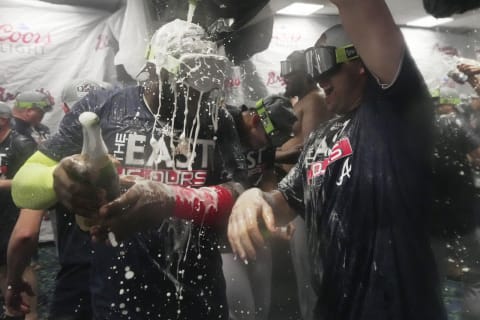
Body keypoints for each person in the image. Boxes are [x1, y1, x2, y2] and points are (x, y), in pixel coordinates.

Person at [12, 19, 246, 320]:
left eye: (203, 86)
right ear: (155, 70)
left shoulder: (215, 117)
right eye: (185, 86)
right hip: (118, 298)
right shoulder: (103, 107)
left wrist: (172, 199)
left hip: (200, 297)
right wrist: (56, 180)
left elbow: (239, 193)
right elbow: (22, 186)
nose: (196, 97)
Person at [227, 0, 448, 319]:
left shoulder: (394, 116)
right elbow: (287, 201)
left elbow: (364, 9)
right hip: (331, 306)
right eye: (312, 69)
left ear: (360, 62)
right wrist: (254, 197)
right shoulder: (321, 137)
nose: (319, 79)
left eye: (325, 64)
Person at [6, 80, 109, 320]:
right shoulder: (134, 140)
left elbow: (25, 234)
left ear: (65, 110)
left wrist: (13, 281)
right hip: (137, 269)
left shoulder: (55, 154)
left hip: (80, 273)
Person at [223, 95, 297, 320]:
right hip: (222, 235)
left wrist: (275, 215)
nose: (266, 146)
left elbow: (267, 175)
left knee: (261, 309)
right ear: (255, 120)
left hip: (257, 229)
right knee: (241, 311)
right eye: (265, 140)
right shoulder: (221, 122)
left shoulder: (265, 135)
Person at [276, 49, 333, 320]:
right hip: (295, 199)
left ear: (305, 73)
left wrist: (271, 156)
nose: (285, 76)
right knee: (304, 274)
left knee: (312, 275)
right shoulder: (301, 100)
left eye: (291, 70)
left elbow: (310, 148)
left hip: (308, 200)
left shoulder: (315, 100)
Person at [430, 87, 480, 320]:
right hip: (464, 213)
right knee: (472, 277)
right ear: (445, 104)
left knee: (442, 277)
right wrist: (468, 159)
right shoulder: (455, 124)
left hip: (433, 219)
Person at [0, 101, 38, 320]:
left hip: (15, 213)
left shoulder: (21, 144)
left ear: (3, 120)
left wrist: (3, 185)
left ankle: (31, 313)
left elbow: (33, 181)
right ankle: (11, 307)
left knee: (21, 262)